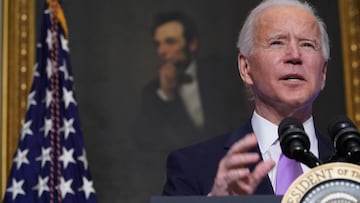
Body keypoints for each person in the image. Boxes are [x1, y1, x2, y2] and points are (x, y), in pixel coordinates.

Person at [162, 0, 335, 196]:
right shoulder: (193, 167)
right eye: (277, 42)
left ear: (323, 73)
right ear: (245, 68)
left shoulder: (352, 163)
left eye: (307, 44)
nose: (294, 55)